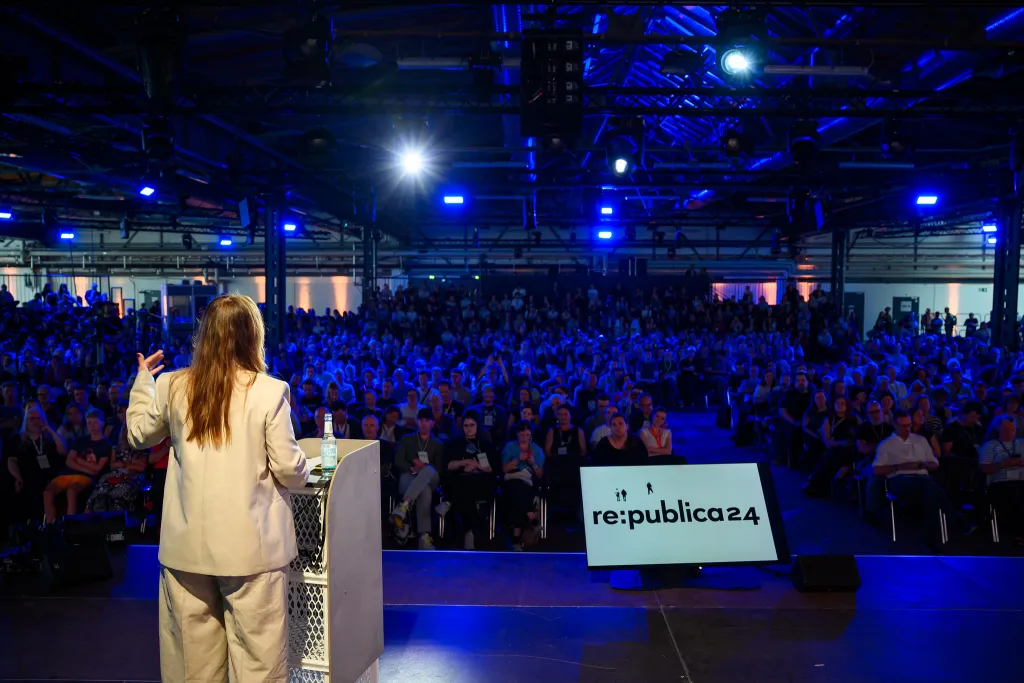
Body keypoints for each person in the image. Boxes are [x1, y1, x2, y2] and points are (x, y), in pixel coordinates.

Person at [126, 293, 310, 683]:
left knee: (193, 668)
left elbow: (138, 434)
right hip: (251, 553)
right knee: (259, 666)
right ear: (252, 335)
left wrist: (144, 381)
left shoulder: (171, 385)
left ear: (205, 334)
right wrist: (308, 464)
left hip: (186, 552)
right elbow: (289, 470)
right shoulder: (269, 391)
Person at [869, 411, 972, 546]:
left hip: (923, 477)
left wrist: (924, 465)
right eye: (903, 426)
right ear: (895, 425)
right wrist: (900, 466)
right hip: (901, 479)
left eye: (909, 425)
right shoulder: (886, 444)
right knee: (931, 488)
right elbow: (877, 470)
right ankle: (955, 518)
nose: (907, 428)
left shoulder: (921, 440)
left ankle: (932, 541)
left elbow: (934, 464)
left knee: (930, 493)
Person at [43, 408, 111, 522]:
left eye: (95, 422)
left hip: (85, 477)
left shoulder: (106, 445)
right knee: (48, 492)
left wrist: (79, 461)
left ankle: (70, 523)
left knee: (72, 490)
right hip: (67, 474)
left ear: (102, 423)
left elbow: (97, 469)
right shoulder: (80, 441)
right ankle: (49, 524)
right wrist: (88, 467)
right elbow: (69, 461)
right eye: (89, 423)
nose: (92, 426)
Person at [442, 411, 498, 550]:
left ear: (478, 426)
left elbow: (493, 468)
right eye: (466, 425)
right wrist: (464, 462)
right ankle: (471, 531)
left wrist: (476, 465)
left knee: (466, 490)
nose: (469, 428)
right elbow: (448, 465)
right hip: (460, 481)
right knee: (463, 487)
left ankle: (450, 503)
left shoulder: (485, 445)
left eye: (472, 425)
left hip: (480, 481)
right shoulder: (455, 444)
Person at [391, 407, 444, 549]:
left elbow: (439, 469)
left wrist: (423, 467)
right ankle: (424, 536)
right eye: (421, 420)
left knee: (429, 470)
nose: (424, 424)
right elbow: (398, 461)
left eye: (427, 421)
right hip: (409, 478)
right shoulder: (407, 439)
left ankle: (404, 505)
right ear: (417, 422)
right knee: (424, 491)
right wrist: (412, 467)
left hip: (431, 478)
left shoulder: (438, 444)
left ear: (432, 423)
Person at [500, 421, 545, 551]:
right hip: (511, 480)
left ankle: (515, 539)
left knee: (519, 493)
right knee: (516, 488)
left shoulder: (536, 450)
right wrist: (517, 460)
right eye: (522, 435)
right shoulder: (510, 447)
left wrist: (533, 463)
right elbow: (504, 469)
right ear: (517, 434)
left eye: (527, 435)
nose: (525, 438)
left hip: (528, 481)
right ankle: (530, 514)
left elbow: (540, 474)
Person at [979, 415, 1024, 544]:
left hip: (1021, 478)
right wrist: (1003, 464)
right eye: (1006, 429)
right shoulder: (990, 446)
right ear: (998, 430)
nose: (1010, 432)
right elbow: (984, 468)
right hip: (1001, 481)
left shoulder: (1022, 443)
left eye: (1012, 429)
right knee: (1015, 492)